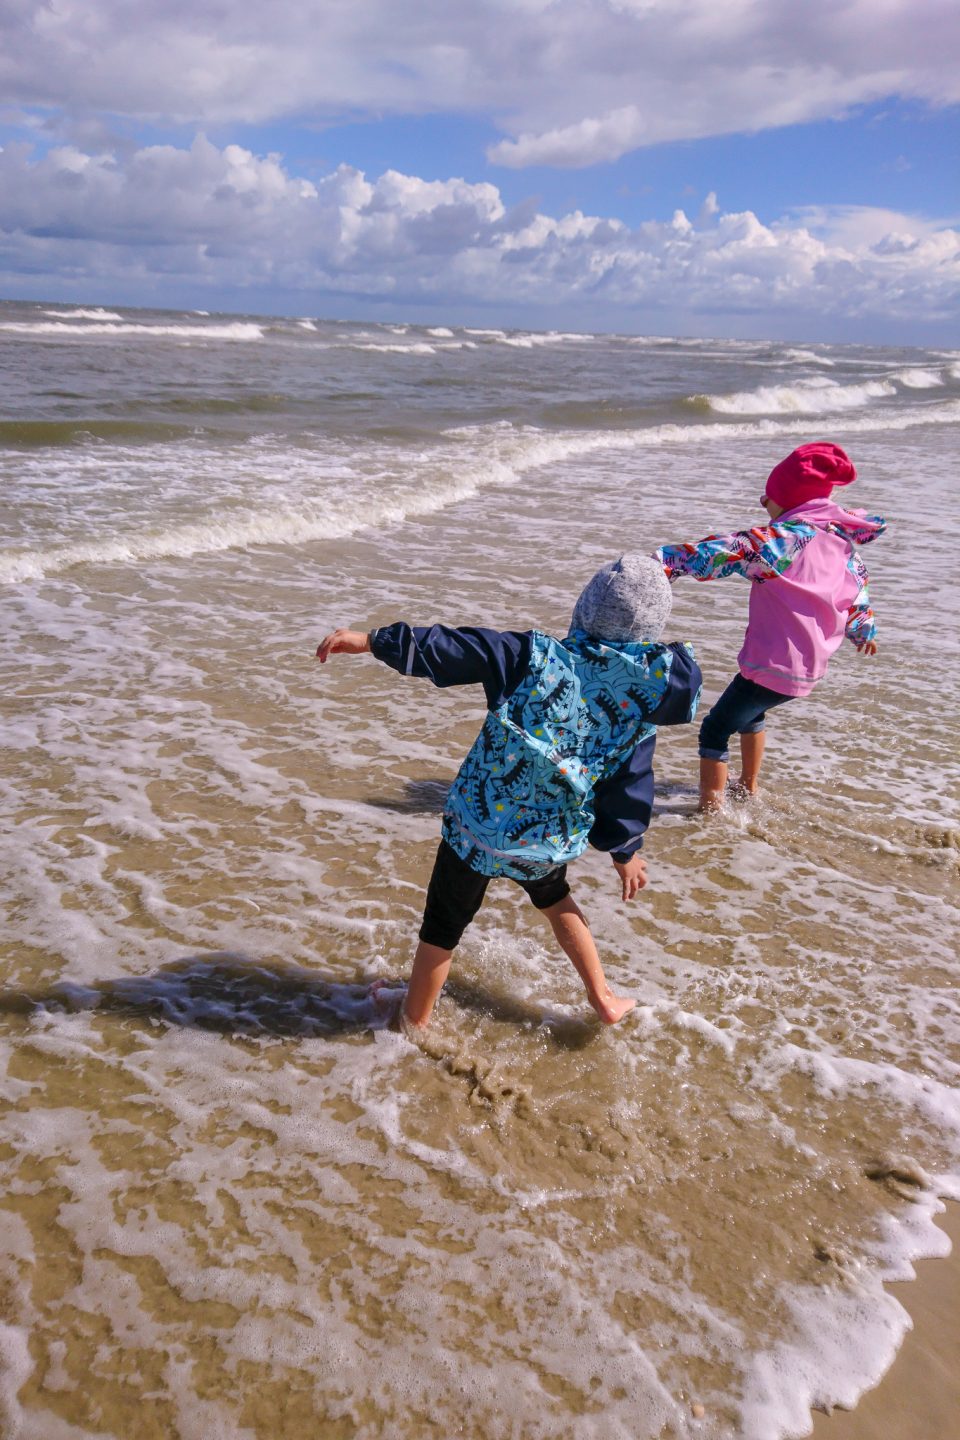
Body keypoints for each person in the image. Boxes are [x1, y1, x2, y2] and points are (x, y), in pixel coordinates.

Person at [316, 555, 701, 1030]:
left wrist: (374, 641)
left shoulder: (531, 655)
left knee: (442, 927)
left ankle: (413, 1019)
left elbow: (454, 648)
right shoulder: (642, 698)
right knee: (557, 901)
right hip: (541, 841)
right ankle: (603, 998)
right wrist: (625, 850)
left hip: (475, 830)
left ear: (583, 610)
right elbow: (630, 780)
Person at [652, 442, 886, 810]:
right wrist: (863, 631)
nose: (763, 502)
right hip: (806, 665)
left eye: (770, 497)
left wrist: (663, 562)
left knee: (715, 728)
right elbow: (857, 591)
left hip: (773, 663)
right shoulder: (839, 543)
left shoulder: (786, 541)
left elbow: (730, 551)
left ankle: (711, 810)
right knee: (752, 714)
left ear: (793, 502)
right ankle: (749, 786)